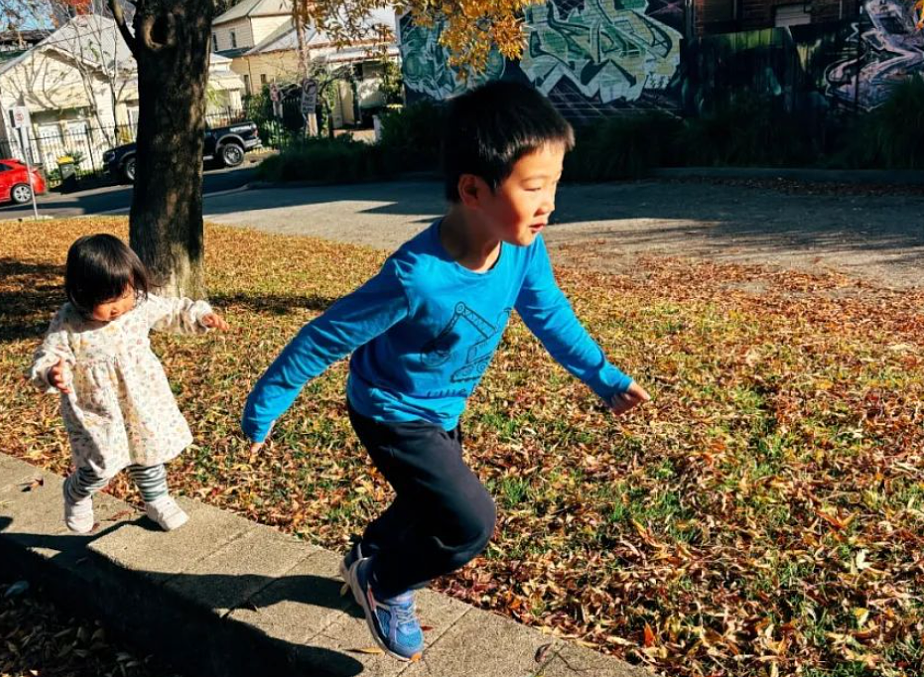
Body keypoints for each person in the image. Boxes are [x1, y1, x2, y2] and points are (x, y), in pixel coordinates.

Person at [241, 80, 650, 662]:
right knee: (467, 523)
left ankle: (369, 551)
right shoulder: (417, 275)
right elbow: (326, 335)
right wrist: (264, 408)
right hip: (389, 411)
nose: (549, 204)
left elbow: (550, 314)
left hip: (441, 410)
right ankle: (383, 582)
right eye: (534, 187)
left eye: (554, 185)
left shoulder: (523, 249)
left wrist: (603, 377)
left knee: (426, 500)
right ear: (472, 189)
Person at [30, 233, 229, 534]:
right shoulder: (69, 321)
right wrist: (51, 373)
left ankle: (156, 499)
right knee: (100, 464)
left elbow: (172, 310)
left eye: (125, 294)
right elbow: (49, 354)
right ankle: (77, 492)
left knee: (147, 450)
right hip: (96, 409)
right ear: (81, 294)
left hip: (142, 397)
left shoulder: (138, 304)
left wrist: (201, 316)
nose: (119, 306)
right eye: (108, 301)